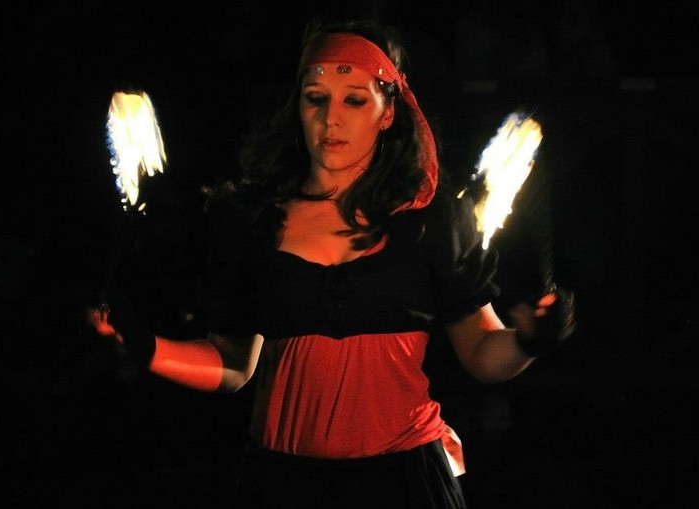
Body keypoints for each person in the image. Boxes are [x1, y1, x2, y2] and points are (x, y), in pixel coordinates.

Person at [87, 16, 576, 508]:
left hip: (404, 481)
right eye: (315, 98)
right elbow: (233, 365)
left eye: (354, 100)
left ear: (388, 112)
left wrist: (529, 341)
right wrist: (146, 347)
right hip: (281, 485)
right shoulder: (251, 220)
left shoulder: (430, 220)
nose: (330, 118)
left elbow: (482, 354)